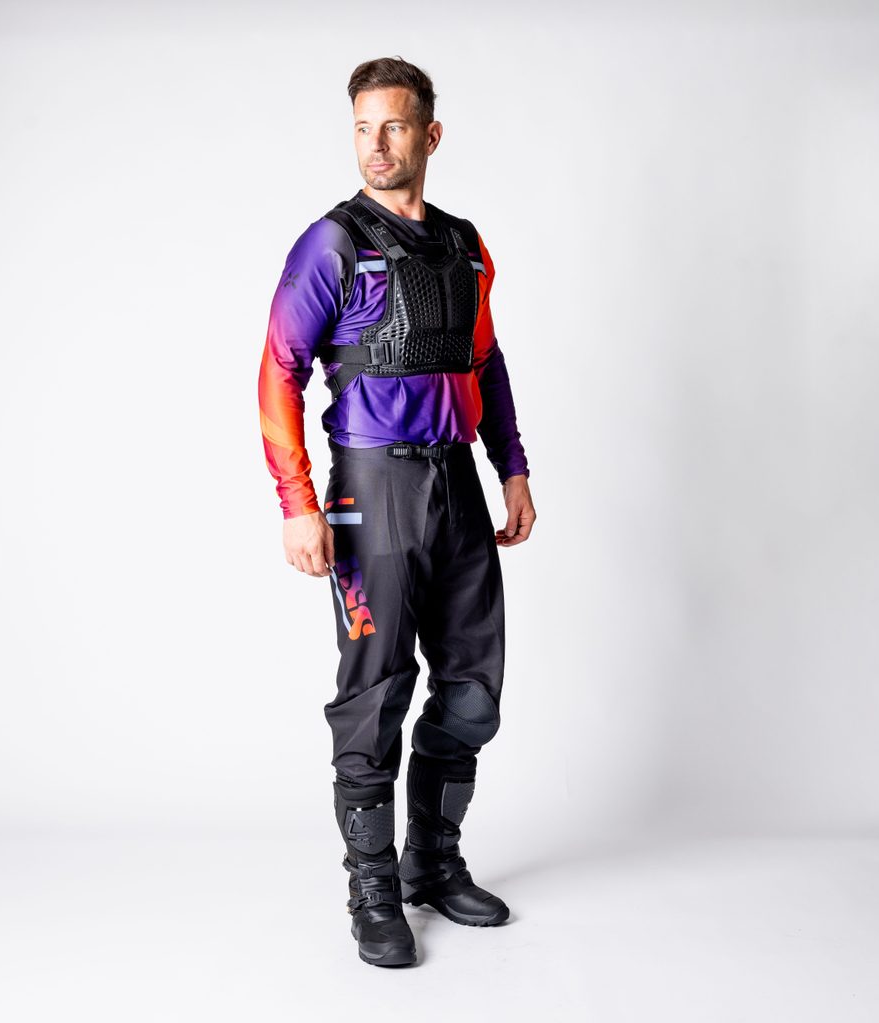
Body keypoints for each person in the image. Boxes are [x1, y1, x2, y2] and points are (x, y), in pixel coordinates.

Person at [258, 56, 536, 967]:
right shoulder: (330, 244)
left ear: (430, 134)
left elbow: (483, 361)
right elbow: (278, 371)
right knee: (374, 693)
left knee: (472, 687)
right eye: (362, 127)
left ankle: (433, 863)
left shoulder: (465, 245)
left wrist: (512, 468)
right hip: (369, 491)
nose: (376, 144)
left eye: (395, 126)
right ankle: (372, 890)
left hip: (456, 485)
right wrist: (298, 503)